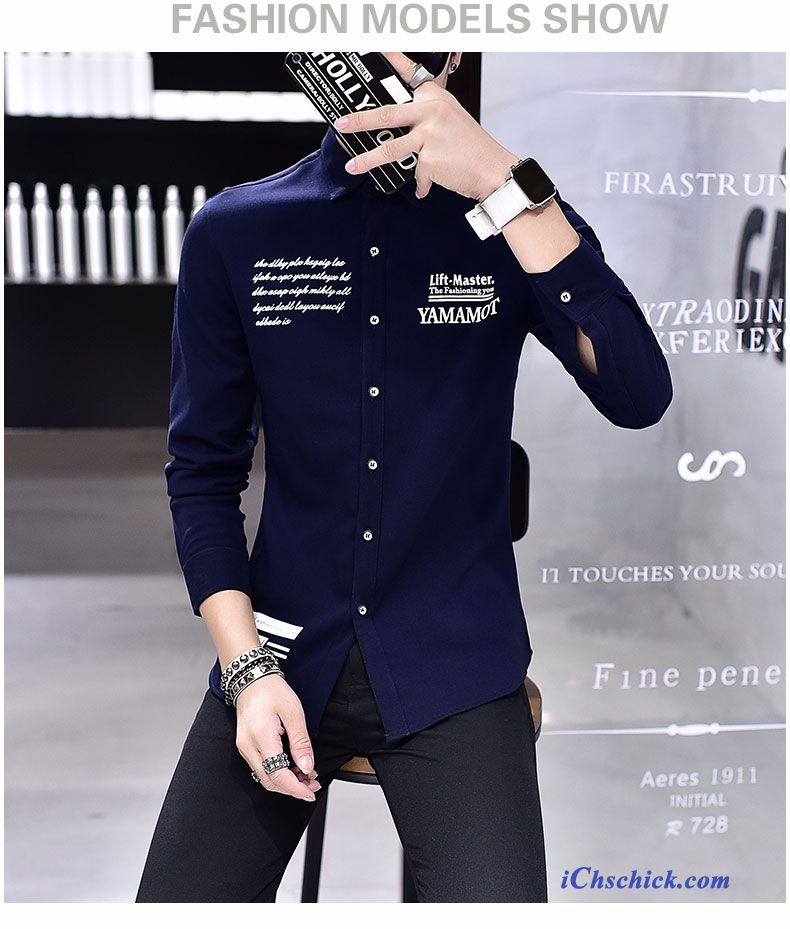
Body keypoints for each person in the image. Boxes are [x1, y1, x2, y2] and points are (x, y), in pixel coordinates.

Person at [135, 51, 673, 903]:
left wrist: (504, 181)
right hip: (280, 654)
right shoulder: (237, 230)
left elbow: (639, 394)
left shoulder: (514, 214)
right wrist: (246, 670)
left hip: (459, 664)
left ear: (452, 53)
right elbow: (203, 471)